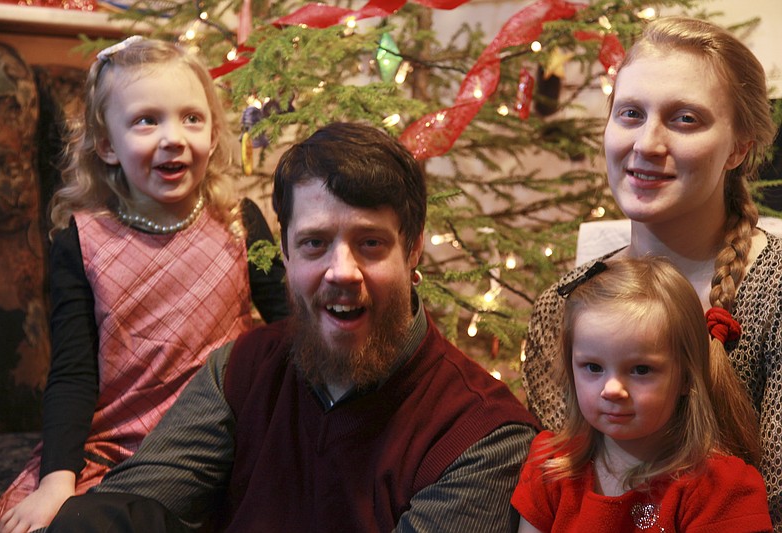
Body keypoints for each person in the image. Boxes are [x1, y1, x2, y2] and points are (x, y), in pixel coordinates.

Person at [42, 122, 541, 532]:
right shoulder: (240, 370)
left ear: (412, 251)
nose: (342, 271)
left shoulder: (481, 435)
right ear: (284, 252)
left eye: (370, 243)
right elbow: (126, 509)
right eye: (314, 243)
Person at [0, 36, 288, 533]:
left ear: (214, 134)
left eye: (191, 118)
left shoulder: (240, 224)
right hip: (114, 443)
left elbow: (292, 330)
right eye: (147, 120)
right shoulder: (81, 240)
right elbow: (72, 372)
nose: (173, 137)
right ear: (106, 144)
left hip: (218, 436)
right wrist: (56, 482)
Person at [522, 16, 782, 525]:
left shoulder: (773, 296)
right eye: (631, 114)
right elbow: (557, 491)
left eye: (685, 119)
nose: (647, 144)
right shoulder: (565, 304)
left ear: (739, 147)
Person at [514, 257, 772, 531]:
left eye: (640, 369)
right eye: (593, 367)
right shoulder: (551, 466)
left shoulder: (719, 489)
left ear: (686, 376)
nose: (612, 389)